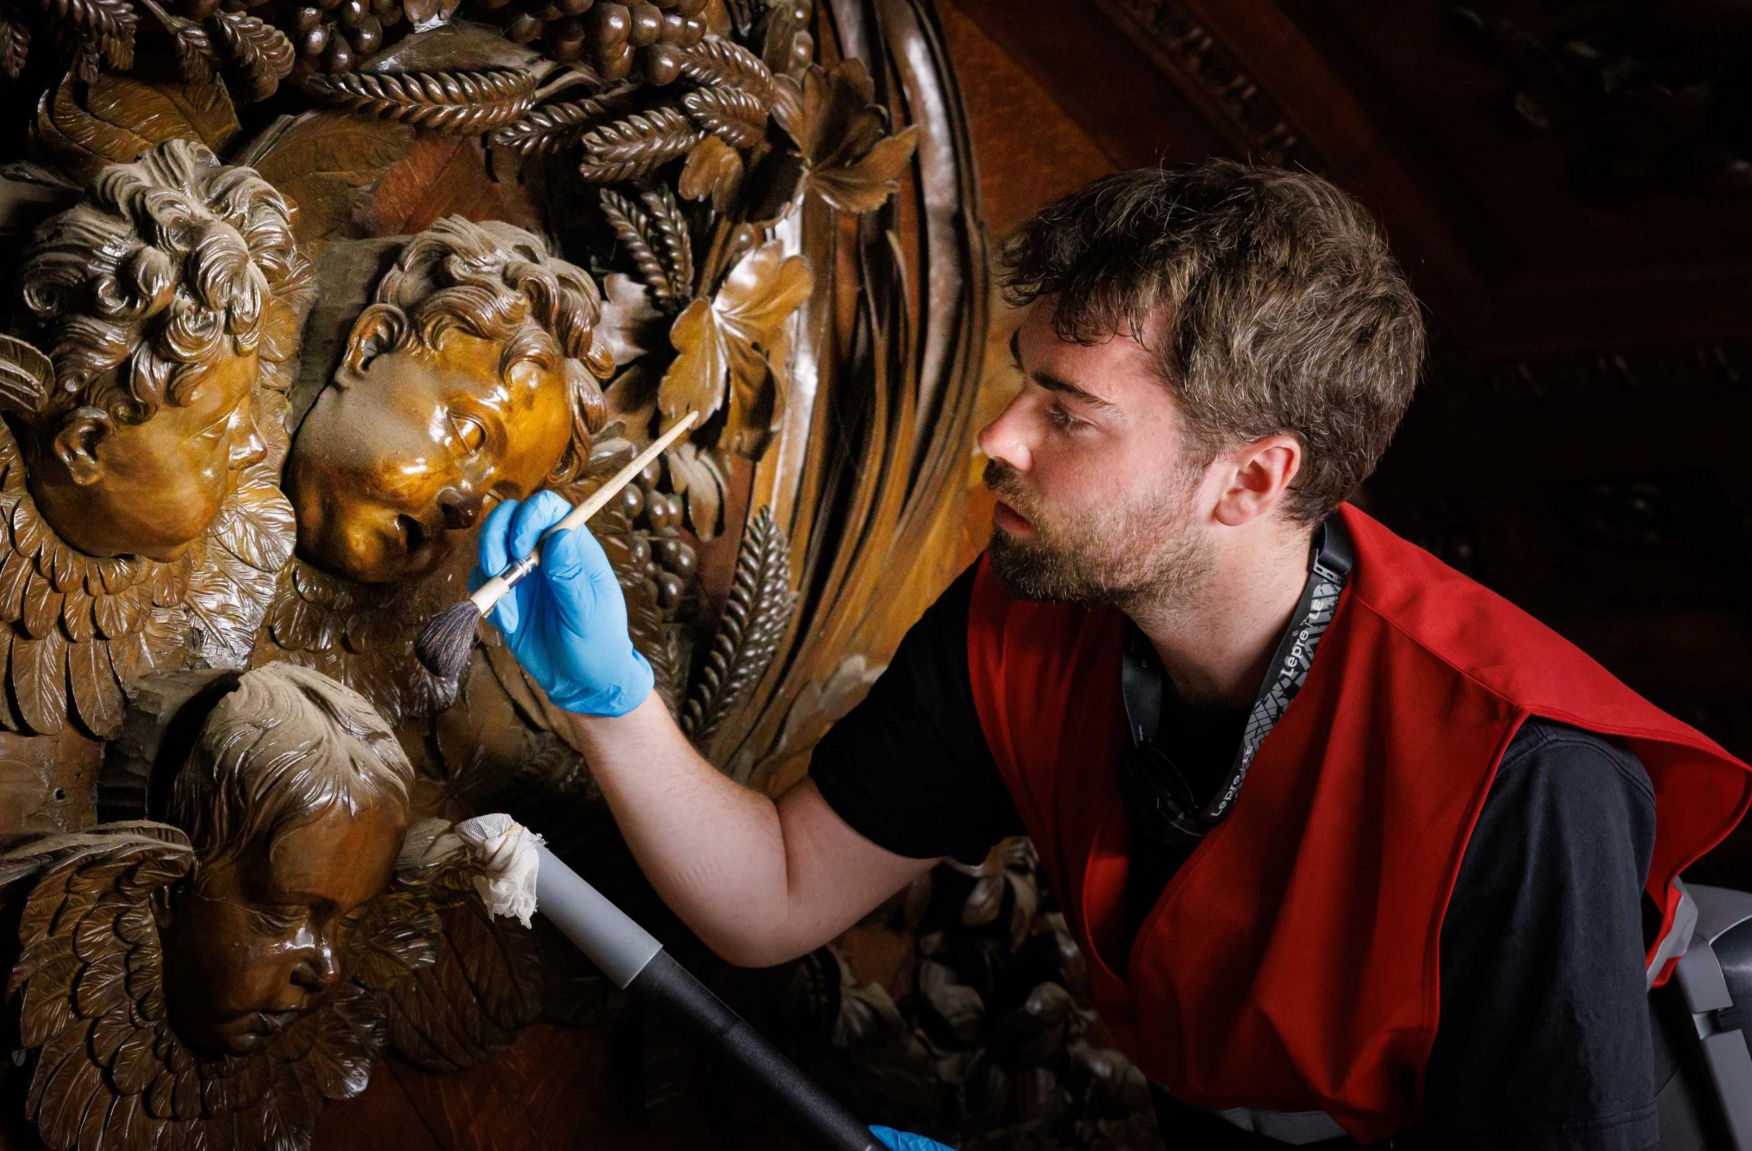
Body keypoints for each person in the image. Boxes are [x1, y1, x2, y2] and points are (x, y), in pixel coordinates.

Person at [472, 161, 1752, 1148]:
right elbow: (778, 892)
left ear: (1249, 478)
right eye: (1022, 381)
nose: (997, 437)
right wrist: (614, 696)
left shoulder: (1523, 782)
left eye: (1066, 413)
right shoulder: (1034, 610)